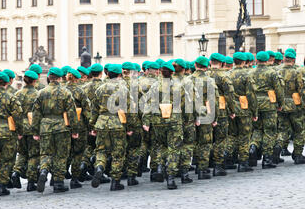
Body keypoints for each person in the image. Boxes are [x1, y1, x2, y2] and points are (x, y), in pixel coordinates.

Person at [32, 67, 79, 193]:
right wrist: (74, 130)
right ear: (59, 78)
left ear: (49, 77)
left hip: (45, 126)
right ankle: (58, 182)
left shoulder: (41, 93)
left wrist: (35, 131)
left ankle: (43, 170)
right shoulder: (65, 92)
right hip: (61, 126)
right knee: (61, 155)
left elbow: (36, 113)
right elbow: (72, 113)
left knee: (46, 153)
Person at [142, 61, 187, 189]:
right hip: (174, 121)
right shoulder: (178, 86)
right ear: (172, 72)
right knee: (174, 148)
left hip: (158, 121)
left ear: (161, 72)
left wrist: (146, 121)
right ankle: (171, 177)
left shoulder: (155, 86)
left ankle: (160, 167)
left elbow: (148, 104)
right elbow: (186, 104)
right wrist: (188, 119)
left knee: (161, 146)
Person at [89, 64, 131, 191]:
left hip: (102, 122)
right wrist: (130, 127)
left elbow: (94, 109)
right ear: (120, 75)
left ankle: (99, 167)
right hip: (117, 122)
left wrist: (93, 125)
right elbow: (129, 109)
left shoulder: (100, 89)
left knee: (101, 150)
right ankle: (115, 181)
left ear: (107, 74)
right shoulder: (124, 89)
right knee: (118, 153)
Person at [249, 51, 285, 169]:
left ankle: (253, 146)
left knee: (257, 129)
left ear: (257, 60)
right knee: (269, 131)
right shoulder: (272, 73)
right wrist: (280, 103)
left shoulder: (251, 72)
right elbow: (279, 90)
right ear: (267, 60)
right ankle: (267, 158)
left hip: (255, 103)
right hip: (269, 104)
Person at [273, 49, 305, 164]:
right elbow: (302, 89)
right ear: (293, 60)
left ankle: (278, 148)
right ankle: (298, 155)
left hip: (281, 104)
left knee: (282, 129)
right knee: (299, 130)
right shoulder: (297, 72)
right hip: (295, 104)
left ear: (284, 59)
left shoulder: (276, 71)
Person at [186, 56, 219, 179]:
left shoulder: (187, 80)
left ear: (195, 65)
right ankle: (202, 169)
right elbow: (213, 101)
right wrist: (215, 118)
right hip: (205, 113)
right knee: (205, 142)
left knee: (191, 141)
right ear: (207, 66)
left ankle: (185, 168)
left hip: (189, 113)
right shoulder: (209, 81)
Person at [208, 53, 237, 176]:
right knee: (220, 138)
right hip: (220, 110)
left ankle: (203, 165)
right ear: (222, 63)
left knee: (206, 139)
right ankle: (218, 165)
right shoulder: (224, 76)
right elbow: (229, 95)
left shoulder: (204, 75)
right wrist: (232, 110)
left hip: (205, 109)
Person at [11, 71, 40, 191]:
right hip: (33, 127)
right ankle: (31, 182)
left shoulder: (17, 94)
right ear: (35, 81)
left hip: (20, 128)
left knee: (22, 153)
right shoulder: (38, 94)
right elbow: (39, 113)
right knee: (34, 155)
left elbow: (14, 113)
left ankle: (16, 172)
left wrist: (18, 129)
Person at [228, 52, 257, 171]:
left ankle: (228, 157)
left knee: (231, 135)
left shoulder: (227, 74)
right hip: (244, 109)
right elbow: (251, 95)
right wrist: (255, 112)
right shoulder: (247, 75)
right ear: (244, 62)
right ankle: (243, 162)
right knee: (244, 136)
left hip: (231, 108)